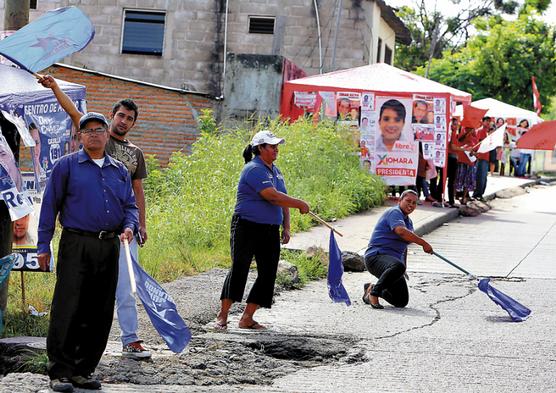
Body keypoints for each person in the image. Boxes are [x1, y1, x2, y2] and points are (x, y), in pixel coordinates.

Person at [39, 75, 151, 359]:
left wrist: (140, 224)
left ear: (134, 123)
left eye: (130, 118)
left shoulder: (134, 155)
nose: (124, 121)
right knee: (75, 298)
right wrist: (54, 88)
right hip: (80, 238)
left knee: (125, 287)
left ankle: (130, 338)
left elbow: (136, 193)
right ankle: (65, 362)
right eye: (121, 115)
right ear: (111, 118)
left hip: (120, 234)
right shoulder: (95, 135)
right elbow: (73, 112)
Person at [37, 106, 138, 392]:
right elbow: (49, 207)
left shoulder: (119, 170)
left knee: (99, 309)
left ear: (107, 135)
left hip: (109, 246)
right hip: (76, 243)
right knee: (68, 306)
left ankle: (83, 369)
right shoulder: (67, 166)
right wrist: (43, 245)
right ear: (79, 136)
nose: (93, 135)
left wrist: (130, 226)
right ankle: (60, 371)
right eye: (87, 130)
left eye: (98, 130)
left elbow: (129, 206)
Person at [215, 130, 310, 330]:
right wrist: (300, 203)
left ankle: (247, 317)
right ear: (260, 148)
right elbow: (272, 196)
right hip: (247, 226)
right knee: (240, 268)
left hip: (270, 229)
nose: (276, 149)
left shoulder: (276, 171)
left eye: (277, 146)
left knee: (268, 273)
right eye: (272, 146)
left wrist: (286, 226)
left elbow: (282, 198)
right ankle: (223, 315)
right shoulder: (253, 169)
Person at [362, 190, 433, 309]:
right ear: (400, 200)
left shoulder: (408, 222)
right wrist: (424, 243)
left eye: (414, 203)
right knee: (398, 266)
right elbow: (400, 231)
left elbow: (404, 246)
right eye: (408, 201)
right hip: (376, 257)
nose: (411, 205)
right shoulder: (394, 212)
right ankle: (374, 294)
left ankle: (371, 289)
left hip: (393, 264)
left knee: (401, 300)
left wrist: (403, 268)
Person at [473, 116, 491, 201]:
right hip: (481, 156)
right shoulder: (480, 131)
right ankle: (477, 194)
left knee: (483, 177)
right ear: (482, 121)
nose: (488, 123)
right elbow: (478, 143)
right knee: (480, 176)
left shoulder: (487, 132)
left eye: (489, 121)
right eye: (486, 121)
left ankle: (480, 193)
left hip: (486, 157)